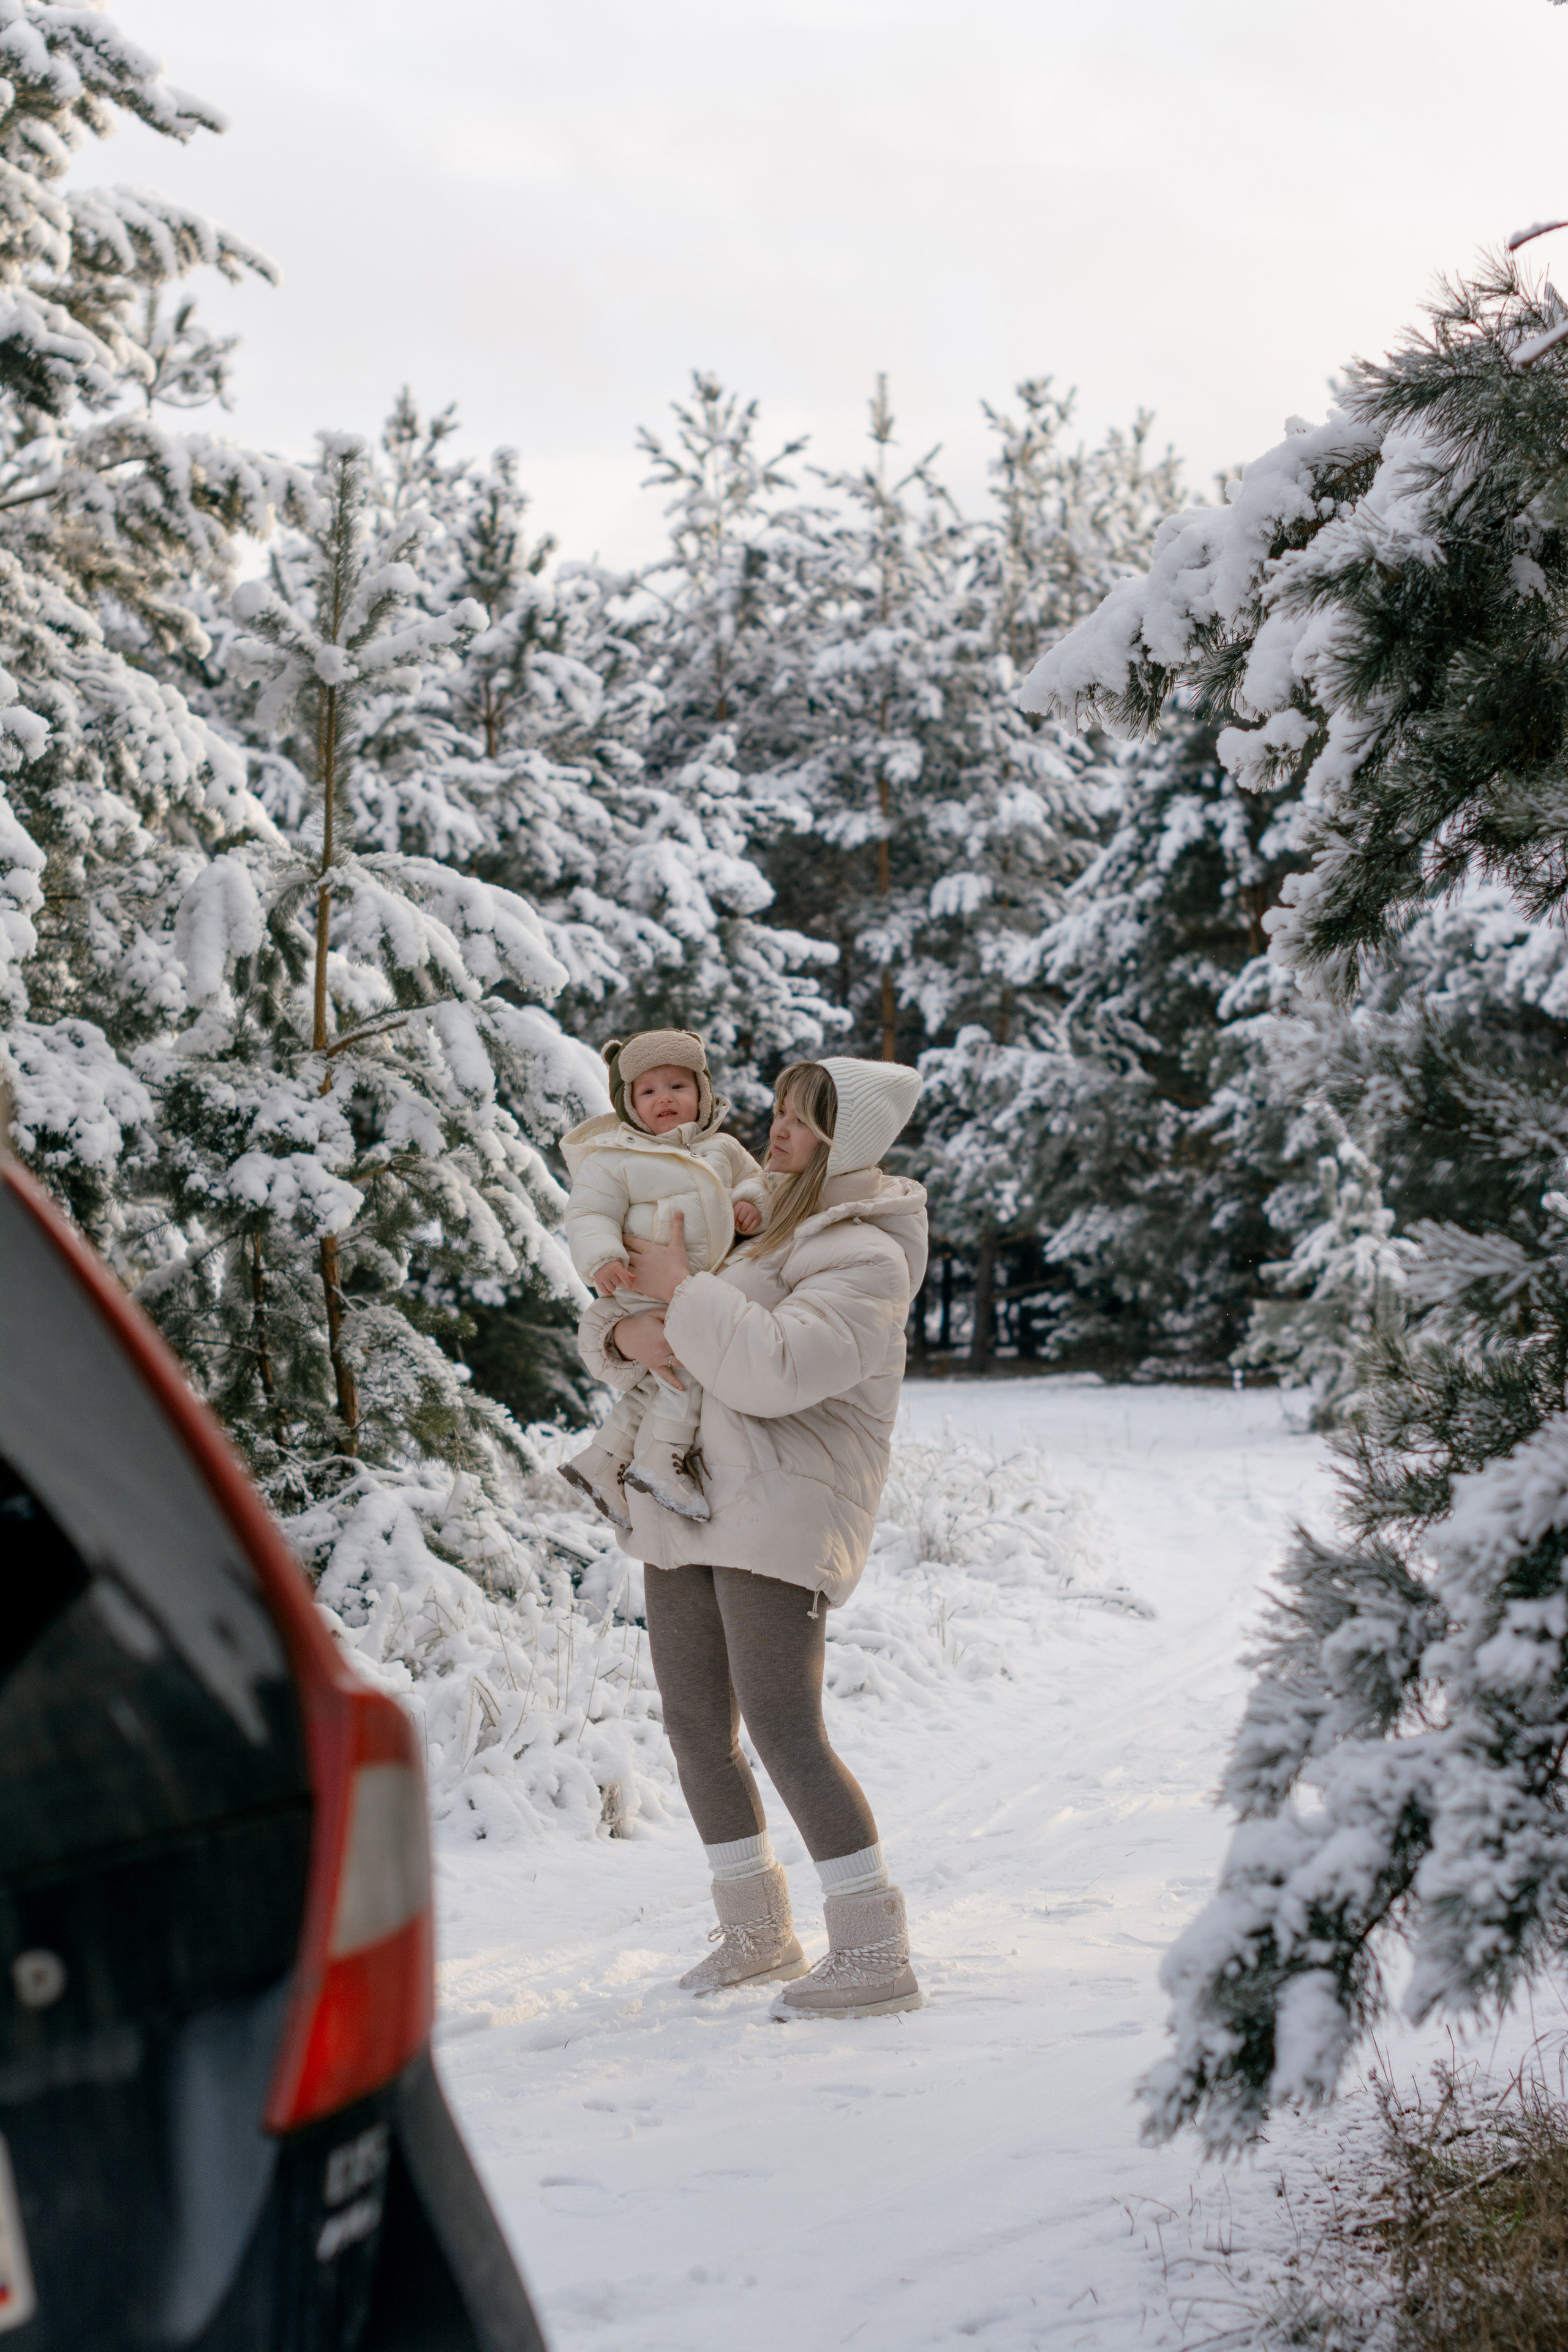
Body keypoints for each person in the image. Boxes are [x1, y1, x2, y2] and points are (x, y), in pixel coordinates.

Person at [576, 1055, 927, 2021]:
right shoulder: (745, 1217)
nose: (778, 1130)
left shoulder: (865, 1256)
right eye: (777, 1110)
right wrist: (622, 1338)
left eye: (804, 1121)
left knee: (783, 1727)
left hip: (782, 1506)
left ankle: (875, 1951)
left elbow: (773, 1369)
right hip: (687, 1492)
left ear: (844, 1145)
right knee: (695, 1727)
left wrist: (686, 1292)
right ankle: (756, 1932)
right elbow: (643, 1314)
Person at [558, 1030, 766, 1526]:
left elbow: (759, 1180)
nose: (664, 1098)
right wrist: (604, 1258)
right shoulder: (615, 1158)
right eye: (648, 1091)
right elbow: (588, 1214)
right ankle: (662, 1458)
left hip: (697, 1284)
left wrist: (751, 1203)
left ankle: (603, 1461)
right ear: (628, 1104)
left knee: (660, 1376)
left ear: (703, 1093)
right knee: (685, 1364)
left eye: (678, 1086)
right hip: (640, 1282)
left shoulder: (723, 1148)